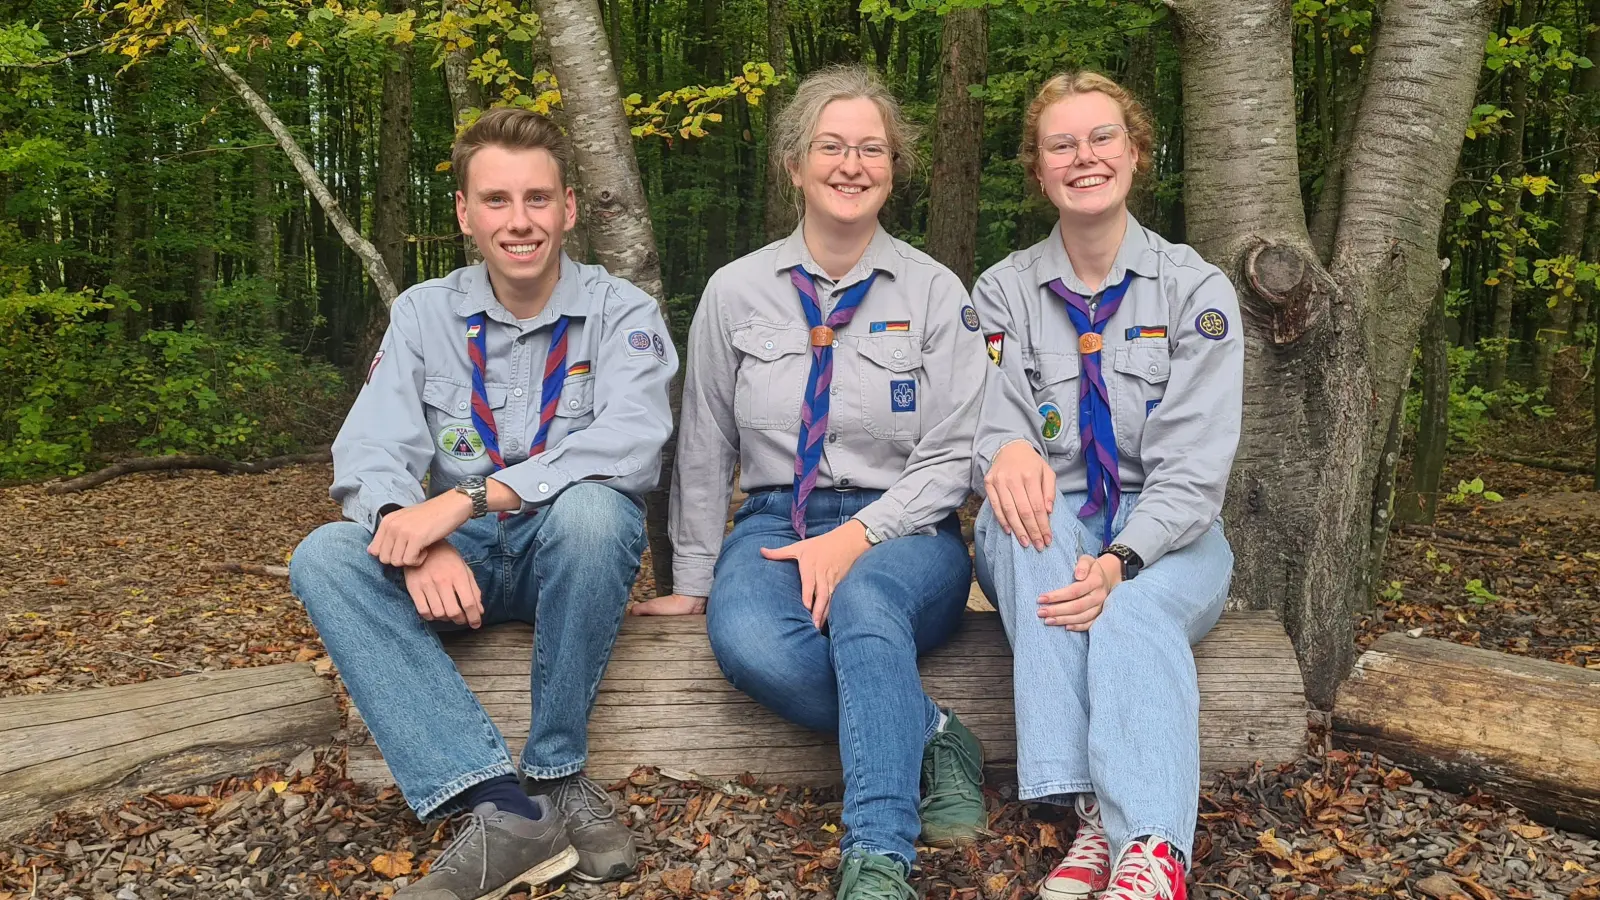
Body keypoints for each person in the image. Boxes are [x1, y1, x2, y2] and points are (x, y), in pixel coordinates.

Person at [288, 108, 678, 900]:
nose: (520, 220)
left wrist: (460, 502)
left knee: (598, 511)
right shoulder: (425, 314)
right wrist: (416, 534)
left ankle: (558, 770)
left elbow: (632, 444)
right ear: (465, 214)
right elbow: (369, 451)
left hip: (560, 557)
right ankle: (502, 808)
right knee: (324, 556)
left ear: (568, 208)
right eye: (496, 200)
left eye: (538, 199)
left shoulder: (622, 313)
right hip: (459, 564)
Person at [632, 65, 991, 900]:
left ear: (893, 169)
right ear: (794, 164)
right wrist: (692, 579)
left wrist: (857, 538)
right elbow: (706, 441)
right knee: (750, 642)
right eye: (831, 146)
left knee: (867, 607)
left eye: (872, 148)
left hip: (908, 530)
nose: (851, 163)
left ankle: (877, 857)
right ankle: (937, 734)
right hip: (771, 524)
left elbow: (954, 451)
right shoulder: (735, 291)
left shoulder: (937, 293)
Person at [970, 72, 1243, 900]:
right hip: (1047, 527)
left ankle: (1151, 852)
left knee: (1127, 608)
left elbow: (1194, 476)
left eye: (1101, 138)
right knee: (1028, 520)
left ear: (1135, 151)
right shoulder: (1002, 292)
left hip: (1170, 535)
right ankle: (1096, 809)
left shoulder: (1196, 292)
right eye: (1062, 144)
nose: (1083, 157)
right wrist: (1007, 444)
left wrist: (1122, 557)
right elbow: (983, 417)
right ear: (1039, 168)